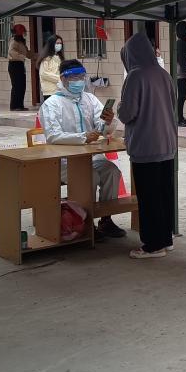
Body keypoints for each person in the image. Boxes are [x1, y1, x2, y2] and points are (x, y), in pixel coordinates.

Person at [40, 59, 127, 239]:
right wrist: (83, 137)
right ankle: (86, 223)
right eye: (74, 77)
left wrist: (108, 121)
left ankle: (106, 219)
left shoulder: (89, 99)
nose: (78, 81)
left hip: (90, 157)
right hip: (63, 161)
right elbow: (53, 136)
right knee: (90, 176)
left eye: (81, 76)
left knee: (112, 171)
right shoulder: (52, 104)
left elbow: (101, 128)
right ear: (63, 79)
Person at [118, 33, 177, 258]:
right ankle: (166, 239)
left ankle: (153, 245)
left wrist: (120, 107)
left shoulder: (135, 76)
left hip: (145, 145)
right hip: (167, 144)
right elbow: (173, 105)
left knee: (149, 197)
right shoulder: (164, 74)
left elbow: (128, 113)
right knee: (164, 194)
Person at [7, 24, 33, 111]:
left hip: (20, 64)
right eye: (23, 32)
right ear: (20, 33)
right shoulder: (13, 41)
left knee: (22, 85)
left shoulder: (21, 42)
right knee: (16, 86)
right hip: (14, 65)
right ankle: (14, 106)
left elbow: (27, 53)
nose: (25, 34)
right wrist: (22, 56)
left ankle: (20, 105)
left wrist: (36, 56)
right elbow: (11, 52)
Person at [38, 34, 64, 102]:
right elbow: (44, 74)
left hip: (59, 90)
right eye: (57, 43)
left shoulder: (59, 58)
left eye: (60, 43)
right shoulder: (46, 59)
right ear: (52, 44)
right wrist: (60, 78)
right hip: (49, 92)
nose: (59, 45)